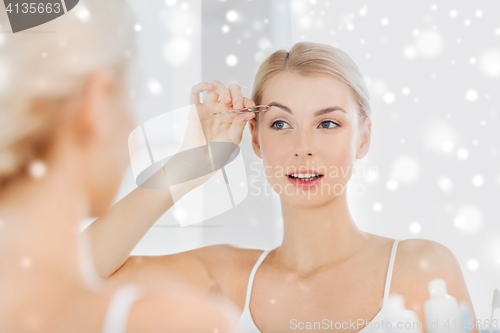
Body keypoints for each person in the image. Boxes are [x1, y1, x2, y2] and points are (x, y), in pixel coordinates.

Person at [84, 42, 479, 332]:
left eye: (327, 124)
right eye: (280, 124)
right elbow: (74, 275)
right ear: (255, 140)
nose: (302, 148)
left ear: (363, 138)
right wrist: (191, 166)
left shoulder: (420, 269)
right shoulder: (223, 279)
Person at [0, 1, 239, 332]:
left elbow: (82, 264)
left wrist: (188, 166)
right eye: (129, 94)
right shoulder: (167, 323)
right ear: (96, 102)